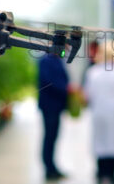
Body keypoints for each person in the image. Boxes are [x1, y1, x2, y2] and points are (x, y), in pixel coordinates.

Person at [84, 40, 114, 184]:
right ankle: (111, 175)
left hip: (98, 111)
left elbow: (88, 94)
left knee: (100, 141)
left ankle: (101, 174)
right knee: (113, 142)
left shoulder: (93, 72)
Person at [38, 52, 69, 180]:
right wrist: (66, 89)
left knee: (53, 136)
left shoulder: (56, 59)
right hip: (49, 106)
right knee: (49, 137)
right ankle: (49, 168)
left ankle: (52, 167)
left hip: (56, 106)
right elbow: (49, 82)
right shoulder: (47, 60)